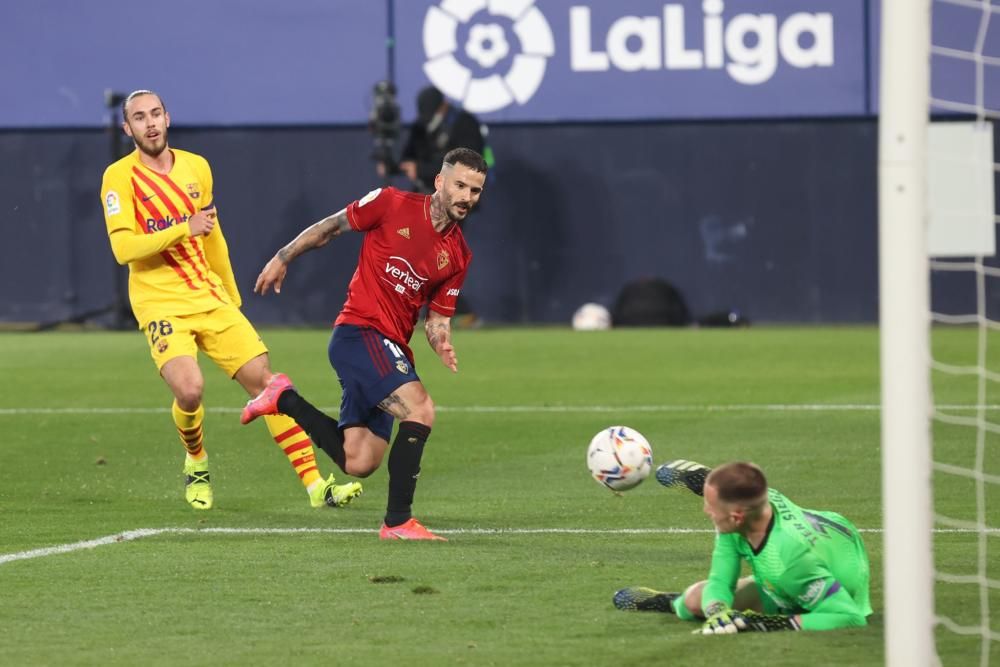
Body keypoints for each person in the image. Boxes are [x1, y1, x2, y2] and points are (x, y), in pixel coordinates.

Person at [100, 90, 362, 511]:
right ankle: (197, 461)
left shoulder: (196, 168)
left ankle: (317, 486)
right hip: (160, 303)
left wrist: (231, 294)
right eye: (138, 118)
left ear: (167, 117)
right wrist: (183, 228)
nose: (149, 123)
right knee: (189, 391)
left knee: (267, 385)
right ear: (126, 128)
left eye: (155, 114)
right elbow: (124, 249)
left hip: (209, 296)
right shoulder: (118, 177)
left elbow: (213, 234)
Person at [240, 147, 488, 541]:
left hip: (391, 348)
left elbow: (438, 318)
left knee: (359, 460)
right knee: (420, 409)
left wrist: (441, 342)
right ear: (440, 181)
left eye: (475, 191)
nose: (466, 197)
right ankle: (398, 522)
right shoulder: (391, 202)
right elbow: (332, 226)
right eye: (459, 185)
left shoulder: (458, 254)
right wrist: (283, 256)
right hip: (360, 333)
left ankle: (282, 397)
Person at [613, 460, 872, 633]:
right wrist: (717, 611)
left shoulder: (790, 563)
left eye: (710, 507)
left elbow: (850, 617)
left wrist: (769, 623)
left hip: (827, 575)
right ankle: (673, 602)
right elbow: (720, 578)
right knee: (697, 600)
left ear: (736, 517)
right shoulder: (752, 507)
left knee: (768, 597)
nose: (706, 512)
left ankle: (677, 603)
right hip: (825, 536)